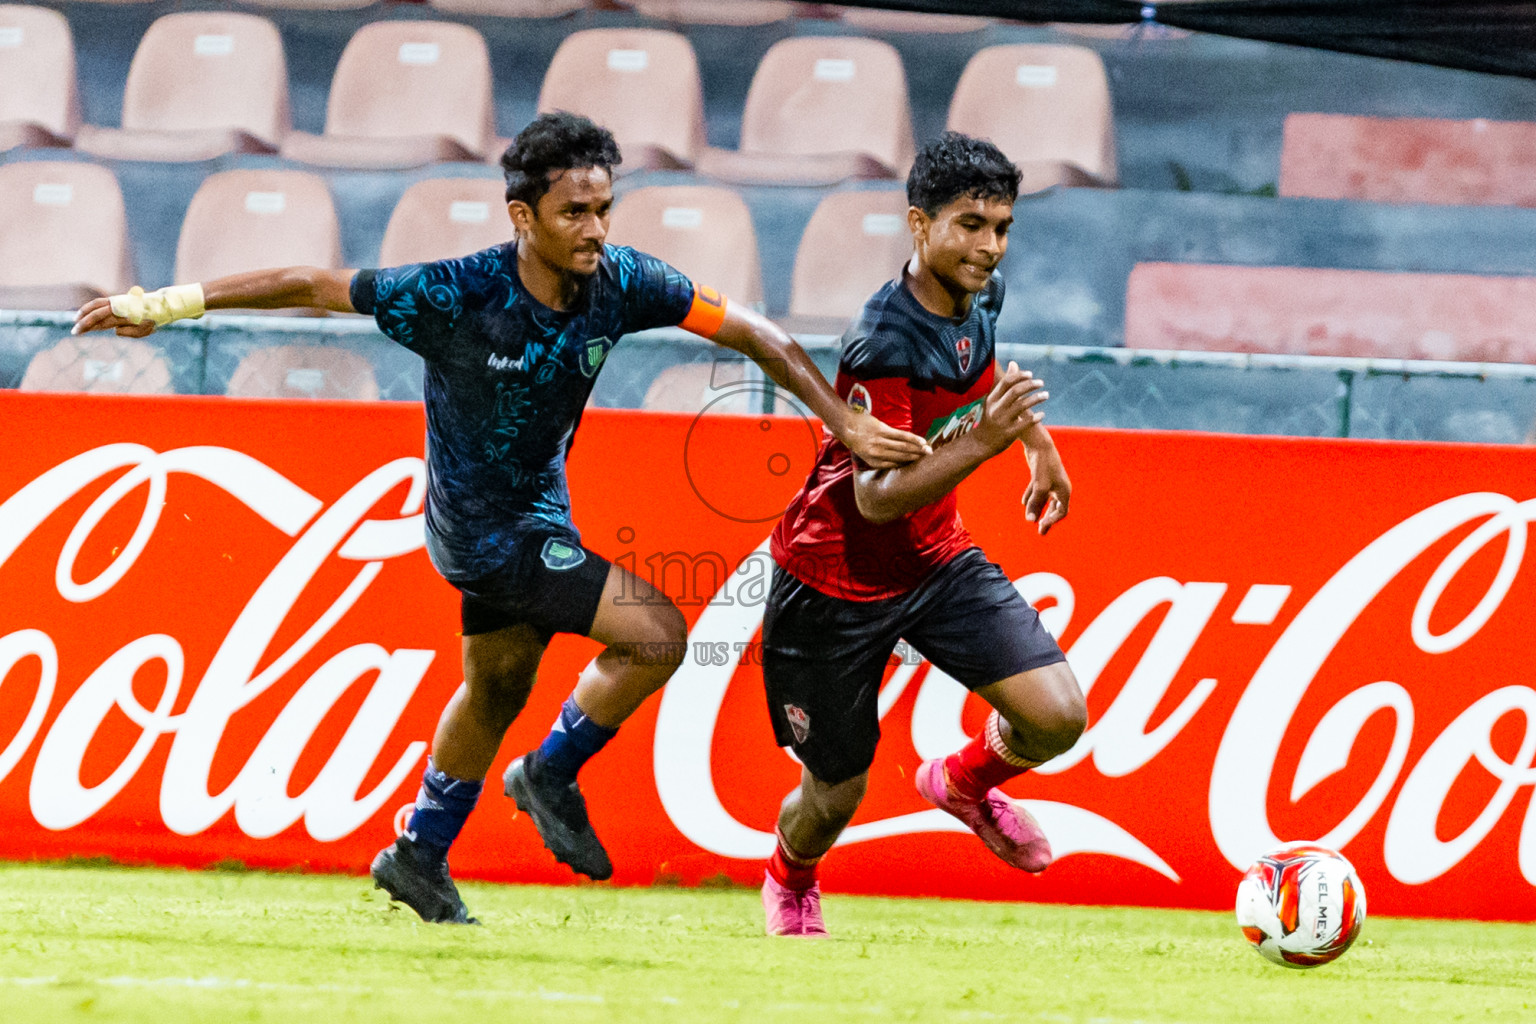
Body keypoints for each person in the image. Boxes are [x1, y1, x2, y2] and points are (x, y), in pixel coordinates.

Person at [73, 111, 929, 925]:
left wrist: (839, 417)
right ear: (523, 215)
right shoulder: (452, 295)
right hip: (481, 532)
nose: (595, 229)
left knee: (497, 686)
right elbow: (309, 282)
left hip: (538, 516)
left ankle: (418, 851)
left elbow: (753, 333)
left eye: (603, 209)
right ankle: (549, 774)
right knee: (659, 631)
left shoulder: (624, 281)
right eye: (574, 213)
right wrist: (165, 304)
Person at [758, 132, 1088, 937]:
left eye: (1002, 227)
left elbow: (982, 381)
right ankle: (790, 876)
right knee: (836, 794)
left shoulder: (983, 293)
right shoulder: (885, 340)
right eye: (970, 225)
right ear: (919, 224)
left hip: (936, 562)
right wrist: (989, 442)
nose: (989, 246)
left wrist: (1036, 445)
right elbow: (875, 500)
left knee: (1056, 716)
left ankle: (966, 782)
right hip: (832, 583)